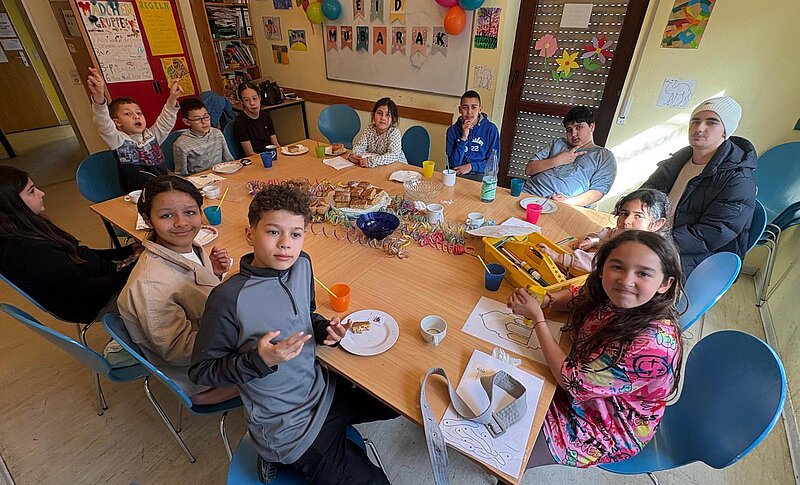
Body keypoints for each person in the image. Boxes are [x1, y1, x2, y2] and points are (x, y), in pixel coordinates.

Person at [189, 185, 397, 484]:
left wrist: (325, 330)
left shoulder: (302, 264)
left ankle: (335, 447)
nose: (286, 244)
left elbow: (304, 314)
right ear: (250, 234)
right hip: (289, 428)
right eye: (273, 232)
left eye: (296, 234)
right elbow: (202, 371)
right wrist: (259, 360)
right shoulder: (228, 299)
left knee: (395, 404)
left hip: (323, 390)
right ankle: (274, 454)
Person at [507, 230, 683, 471]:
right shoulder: (611, 293)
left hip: (606, 425)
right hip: (580, 384)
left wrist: (538, 319)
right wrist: (547, 301)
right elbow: (579, 295)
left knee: (510, 452)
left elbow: (572, 382)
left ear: (664, 283)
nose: (626, 280)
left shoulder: (652, 344)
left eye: (643, 273)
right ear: (601, 269)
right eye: (617, 267)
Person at [117, 175, 237, 405]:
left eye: (190, 212)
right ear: (147, 219)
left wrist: (212, 273)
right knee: (284, 358)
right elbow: (178, 351)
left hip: (214, 331)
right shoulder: (151, 286)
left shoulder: (184, 245)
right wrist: (240, 332)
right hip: (199, 375)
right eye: (166, 216)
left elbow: (194, 292)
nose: (182, 222)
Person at [0, 165, 138, 323]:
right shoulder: (28, 250)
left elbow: (78, 253)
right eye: (31, 191)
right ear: (11, 203)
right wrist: (133, 268)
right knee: (160, 278)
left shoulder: (24, 226)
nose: (41, 193)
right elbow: (90, 291)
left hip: (103, 278)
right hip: (98, 303)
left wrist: (128, 250)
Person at [641, 96, 756, 276]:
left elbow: (712, 234)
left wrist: (655, 241)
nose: (699, 128)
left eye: (711, 122)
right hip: (655, 238)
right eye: (695, 121)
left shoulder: (738, 178)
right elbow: (643, 196)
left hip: (697, 258)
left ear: (725, 131)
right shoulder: (678, 161)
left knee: (618, 272)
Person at [86, 67, 182, 192]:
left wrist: (173, 98)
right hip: (137, 193)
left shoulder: (151, 136)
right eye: (128, 114)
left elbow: (165, 122)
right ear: (117, 122)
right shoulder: (119, 141)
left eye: (139, 113)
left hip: (163, 188)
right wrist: (99, 96)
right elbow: (103, 122)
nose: (136, 116)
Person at [537, 188, 670, 275]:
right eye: (624, 213)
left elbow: (598, 262)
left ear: (656, 224)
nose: (626, 221)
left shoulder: (639, 251)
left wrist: (560, 257)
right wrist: (592, 241)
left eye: (638, 216)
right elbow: (608, 232)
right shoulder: (624, 232)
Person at [522, 106, 616, 207]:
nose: (573, 134)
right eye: (569, 130)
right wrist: (557, 160)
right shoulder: (558, 143)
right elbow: (529, 170)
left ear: (592, 127)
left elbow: (597, 192)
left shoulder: (604, 156)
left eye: (578, 127)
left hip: (564, 205)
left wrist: (567, 202)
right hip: (529, 193)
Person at [445, 90, 500, 181]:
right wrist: (463, 137)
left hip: (481, 174)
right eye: (465, 107)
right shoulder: (452, 130)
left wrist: (471, 166)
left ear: (480, 109)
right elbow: (453, 163)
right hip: (458, 173)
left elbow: (493, 164)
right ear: (460, 109)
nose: (469, 112)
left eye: (474, 107)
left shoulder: (491, 130)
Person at [173, 98, 234, 176]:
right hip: (199, 179)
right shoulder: (181, 144)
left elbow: (229, 160)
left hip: (222, 175)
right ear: (187, 122)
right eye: (197, 119)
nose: (204, 122)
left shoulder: (217, 133)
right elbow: (182, 174)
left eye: (206, 116)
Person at [348, 97, 407, 167]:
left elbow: (393, 155)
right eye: (379, 113)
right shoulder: (369, 130)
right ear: (373, 115)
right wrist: (353, 155)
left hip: (397, 166)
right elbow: (360, 146)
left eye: (387, 115)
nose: (383, 118)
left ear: (393, 119)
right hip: (378, 166)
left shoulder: (394, 133)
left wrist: (370, 162)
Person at [233, 82, 279, 156]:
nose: (252, 103)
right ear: (242, 102)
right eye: (246, 100)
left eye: (254, 98)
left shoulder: (266, 117)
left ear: (259, 97)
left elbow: (275, 144)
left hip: (270, 155)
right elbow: (249, 153)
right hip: (254, 158)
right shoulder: (240, 122)